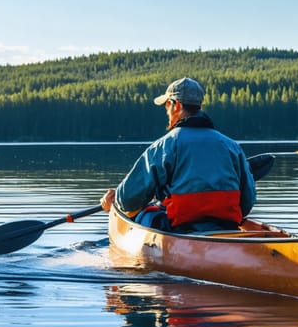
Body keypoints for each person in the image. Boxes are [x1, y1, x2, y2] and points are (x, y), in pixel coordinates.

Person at [100, 77, 256, 232]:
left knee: (143, 214)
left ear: (177, 105)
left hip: (180, 230)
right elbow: (247, 201)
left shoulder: (165, 146)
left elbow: (128, 200)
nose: (167, 111)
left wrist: (114, 201)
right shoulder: (232, 146)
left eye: (167, 105)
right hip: (226, 229)